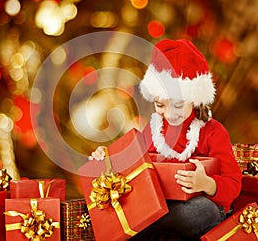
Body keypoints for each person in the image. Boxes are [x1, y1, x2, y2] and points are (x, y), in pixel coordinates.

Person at [89, 39, 242, 241]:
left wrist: (207, 183)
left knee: (199, 212)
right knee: (138, 210)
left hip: (201, 207)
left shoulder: (213, 132)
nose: (169, 114)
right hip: (159, 207)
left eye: (178, 106)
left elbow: (234, 183)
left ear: (194, 99)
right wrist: (106, 156)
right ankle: (152, 230)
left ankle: (144, 232)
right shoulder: (153, 130)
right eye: (160, 105)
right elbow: (129, 163)